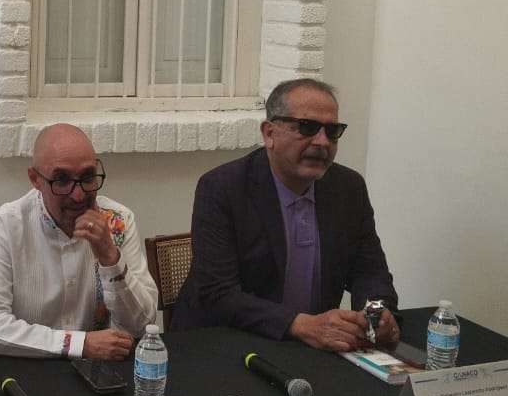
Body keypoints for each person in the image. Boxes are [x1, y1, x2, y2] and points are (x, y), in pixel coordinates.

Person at [171, 79, 399, 351]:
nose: (322, 142)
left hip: (312, 348)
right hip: (225, 344)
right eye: (307, 127)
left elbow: (370, 272)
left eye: (332, 131)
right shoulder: (223, 187)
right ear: (269, 133)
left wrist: (377, 312)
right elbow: (218, 293)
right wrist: (300, 325)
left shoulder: (348, 188)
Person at [0, 123, 158, 359]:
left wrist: (111, 259)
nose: (78, 195)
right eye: (61, 180)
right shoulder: (4, 226)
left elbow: (142, 325)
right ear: (35, 179)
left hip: (100, 372)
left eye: (87, 177)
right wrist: (79, 344)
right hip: (26, 369)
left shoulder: (118, 221)